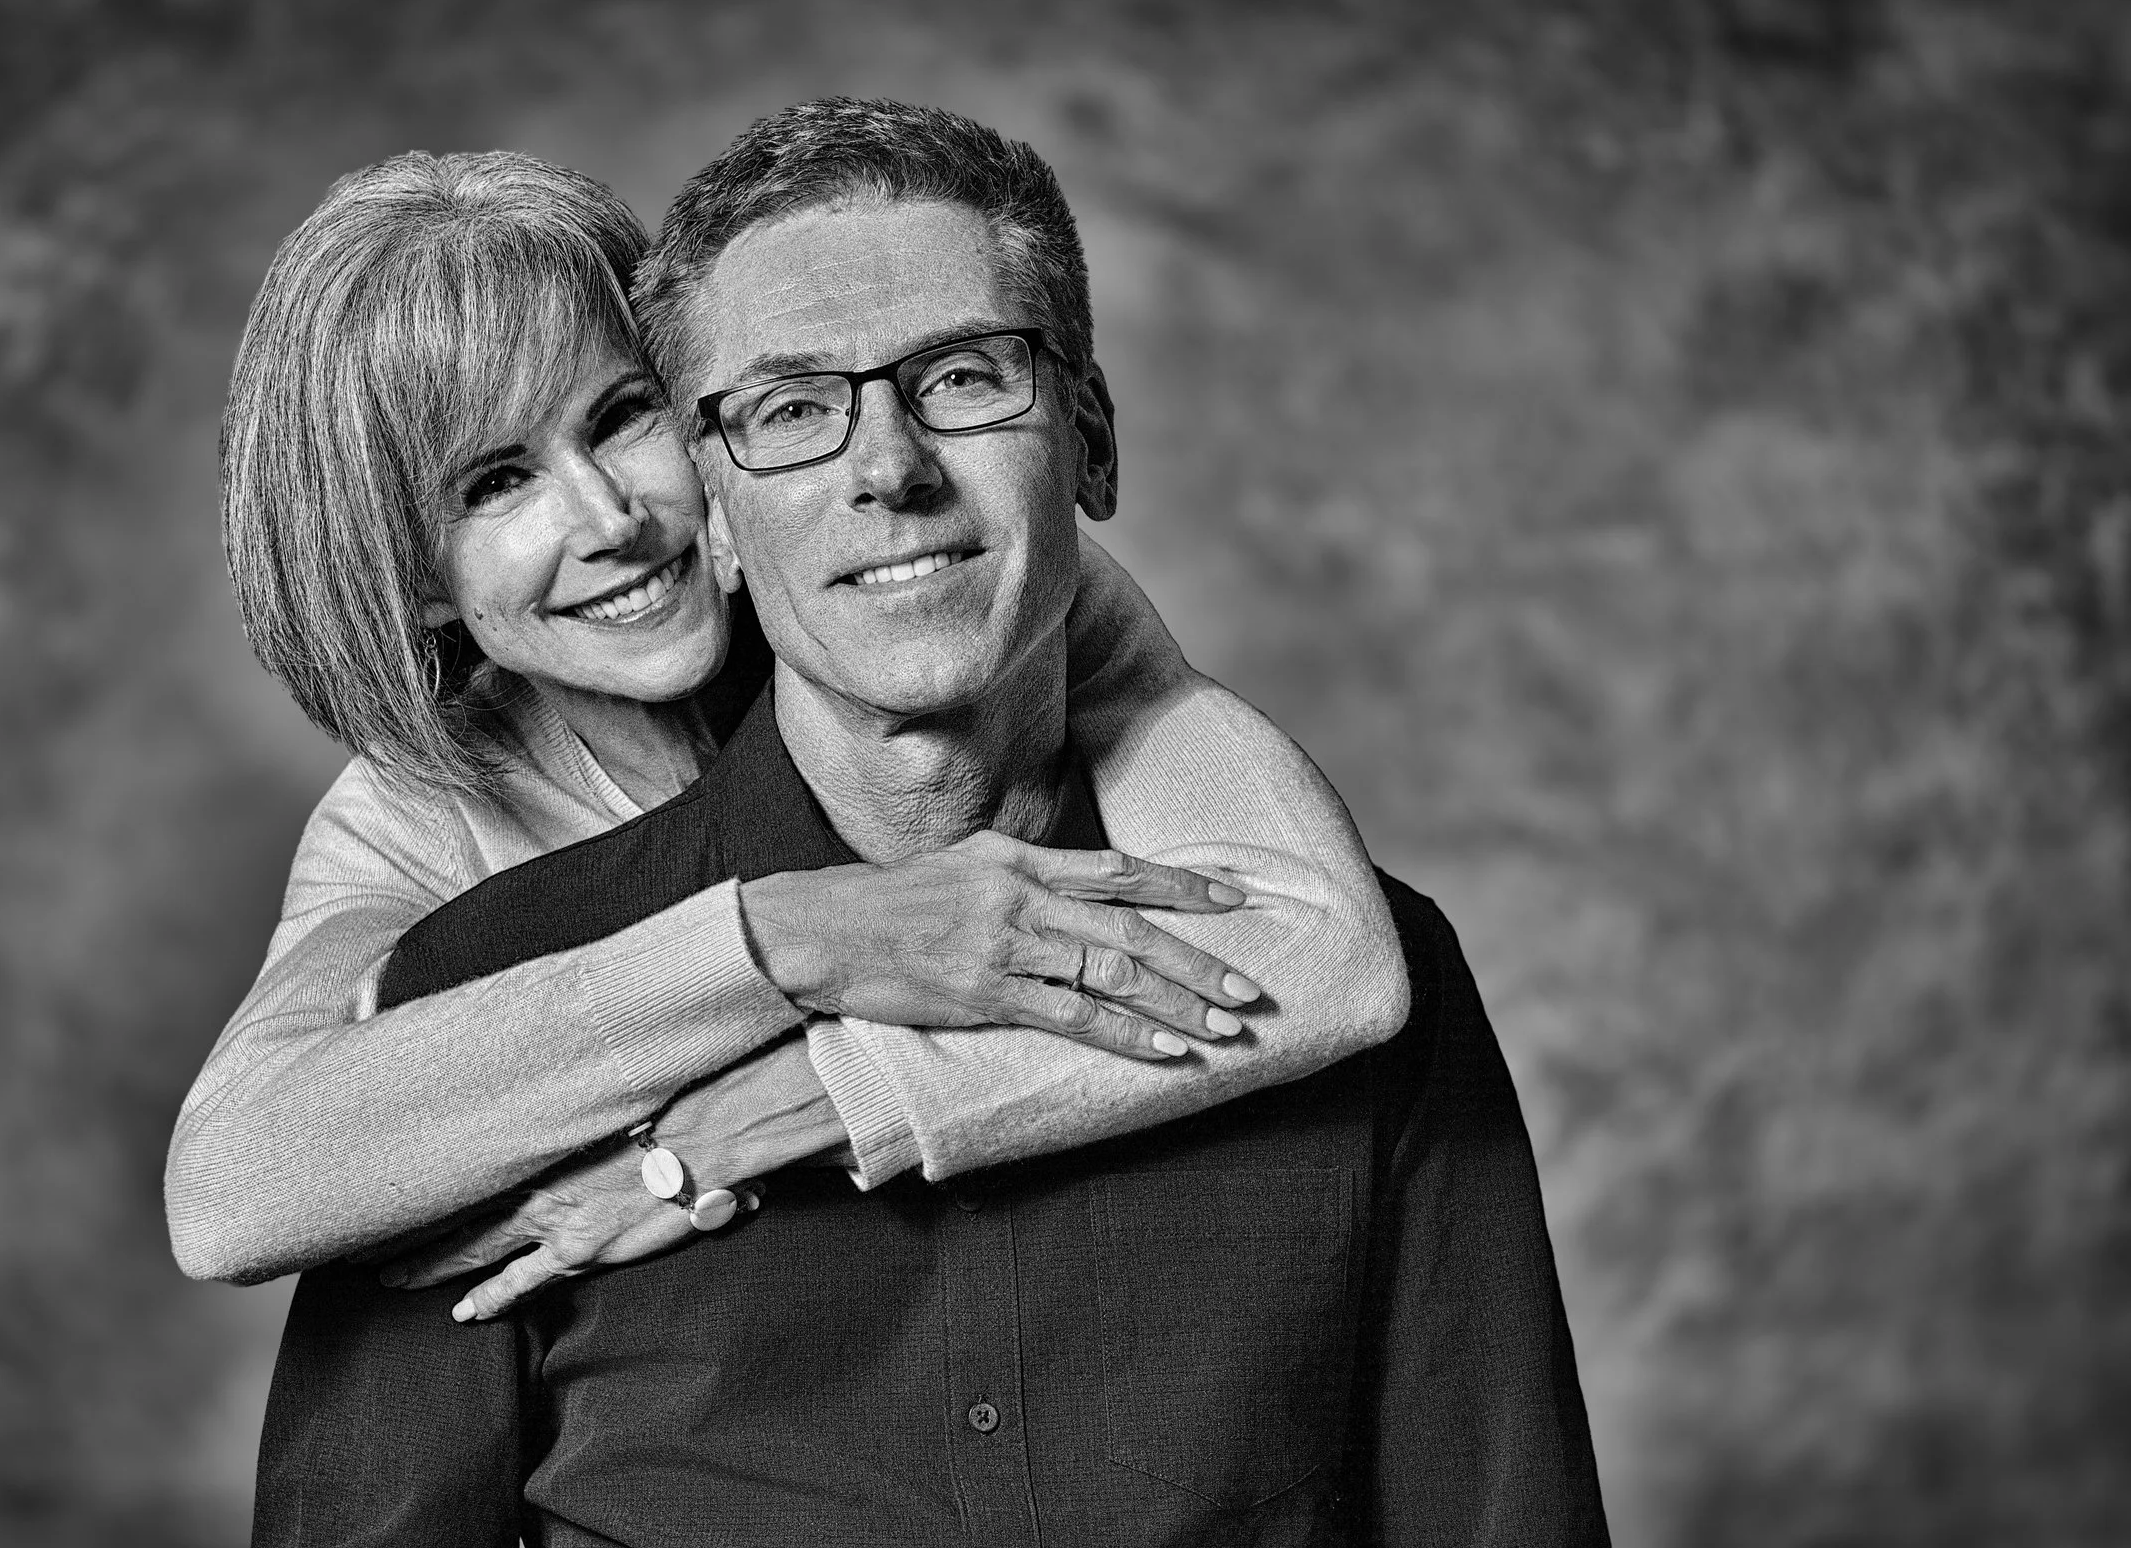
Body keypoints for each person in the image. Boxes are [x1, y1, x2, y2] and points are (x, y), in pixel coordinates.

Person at [252, 100, 1610, 1546]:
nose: (887, 469)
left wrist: (819, 1097)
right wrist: (789, 948)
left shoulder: (1346, 939)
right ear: (718, 508)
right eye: (791, 410)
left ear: (1089, 443)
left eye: (964, 379)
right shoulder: (459, 987)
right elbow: (237, 1194)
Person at [168, 146, 1411, 1306]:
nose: (610, 519)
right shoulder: (418, 817)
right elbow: (229, 1196)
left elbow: (1330, 957)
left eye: (620, 417)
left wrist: (790, 1104)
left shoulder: (920, 595)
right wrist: (793, 941)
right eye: (497, 484)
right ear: (413, 579)